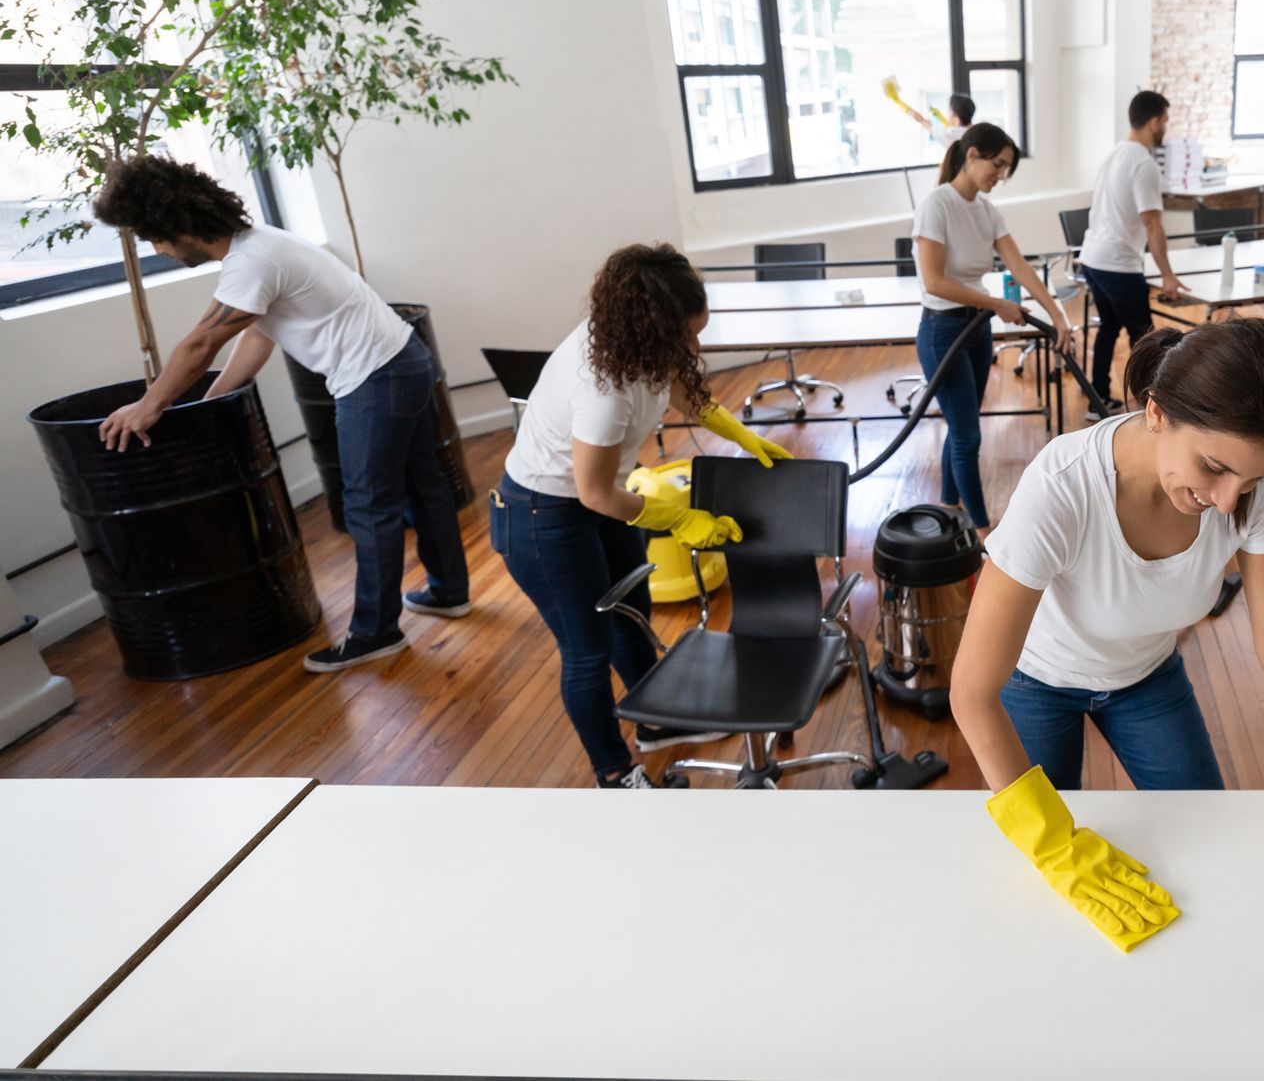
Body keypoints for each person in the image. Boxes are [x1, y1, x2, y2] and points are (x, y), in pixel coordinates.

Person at [950, 318, 1264, 949]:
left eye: (1250, 480)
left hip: (1146, 678)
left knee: (1212, 840)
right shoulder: (1063, 485)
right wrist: (1054, 845)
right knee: (1042, 896)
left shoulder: (1246, 487)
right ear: (1157, 412)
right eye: (1212, 467)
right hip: (1038, 681)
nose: (1225, 502)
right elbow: (971, 690)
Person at [92, 154, 470, 674]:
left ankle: (375, 632)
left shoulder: (252, 263)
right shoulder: (260, 245)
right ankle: (449, 592)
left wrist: (148, 405)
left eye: (152, 238)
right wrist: (208, 403)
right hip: (403, 360)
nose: (156, 249)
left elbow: (201, 343)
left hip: (375, 379)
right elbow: (256, 337)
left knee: (369, 506)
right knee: (420, 485)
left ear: (176, 225)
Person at [493, 243, 793, 789]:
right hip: (543, 516)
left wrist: (742, 434)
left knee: (634, 609)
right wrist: (678, 520)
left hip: (595, 498)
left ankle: (655, 721)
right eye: (688, 334)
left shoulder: (636, 342)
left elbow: (681, 390)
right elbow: (592, 491)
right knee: (588, 649)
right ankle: (614, 771)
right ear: (652, 326)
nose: (694, 345)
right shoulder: (601, 387)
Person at [912, 122, 1068, 535]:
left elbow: (1019, 265)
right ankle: (982, 531)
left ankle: (948, 504)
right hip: (942, 331)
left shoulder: (986, 210)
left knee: (961, 424)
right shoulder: (936, 204)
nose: (1000, 175)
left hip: (976, 330)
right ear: (972, 154)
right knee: (967, 435)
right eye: (997, 165)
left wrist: (1056, 314)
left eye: (1006, 168)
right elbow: (934, 281)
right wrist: (998, 304)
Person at [1077, 90, 1190, 418]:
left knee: (1109, 328)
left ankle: (1098, 401)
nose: (1165, 128)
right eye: (1165, 121)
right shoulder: (1143, 164)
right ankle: (1151, 407)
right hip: (1116, 264)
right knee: (1148, 339)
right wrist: (1167, 275)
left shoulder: (1114, 154)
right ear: (1154, 121)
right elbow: (1152, 224)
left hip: (1093, 259)